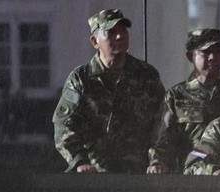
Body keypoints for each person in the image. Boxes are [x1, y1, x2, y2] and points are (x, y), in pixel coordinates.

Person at [53, 9, 164, 173]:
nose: (120, 36)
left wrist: (158, 160)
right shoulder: (81, 79)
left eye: (123, 31)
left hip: (140, 175)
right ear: (95, 41)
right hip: (97, 176)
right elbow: (64, 125)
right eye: (111, 32)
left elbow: (162, 122)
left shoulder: (146, 75)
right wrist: (79, 161)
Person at [147, 29, 220, 174]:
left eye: (218, 52)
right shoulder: (177, 95)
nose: (212, 57)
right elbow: (163, 139)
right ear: (190, 56)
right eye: (206, 52)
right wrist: (157, 162)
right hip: (190, 177)